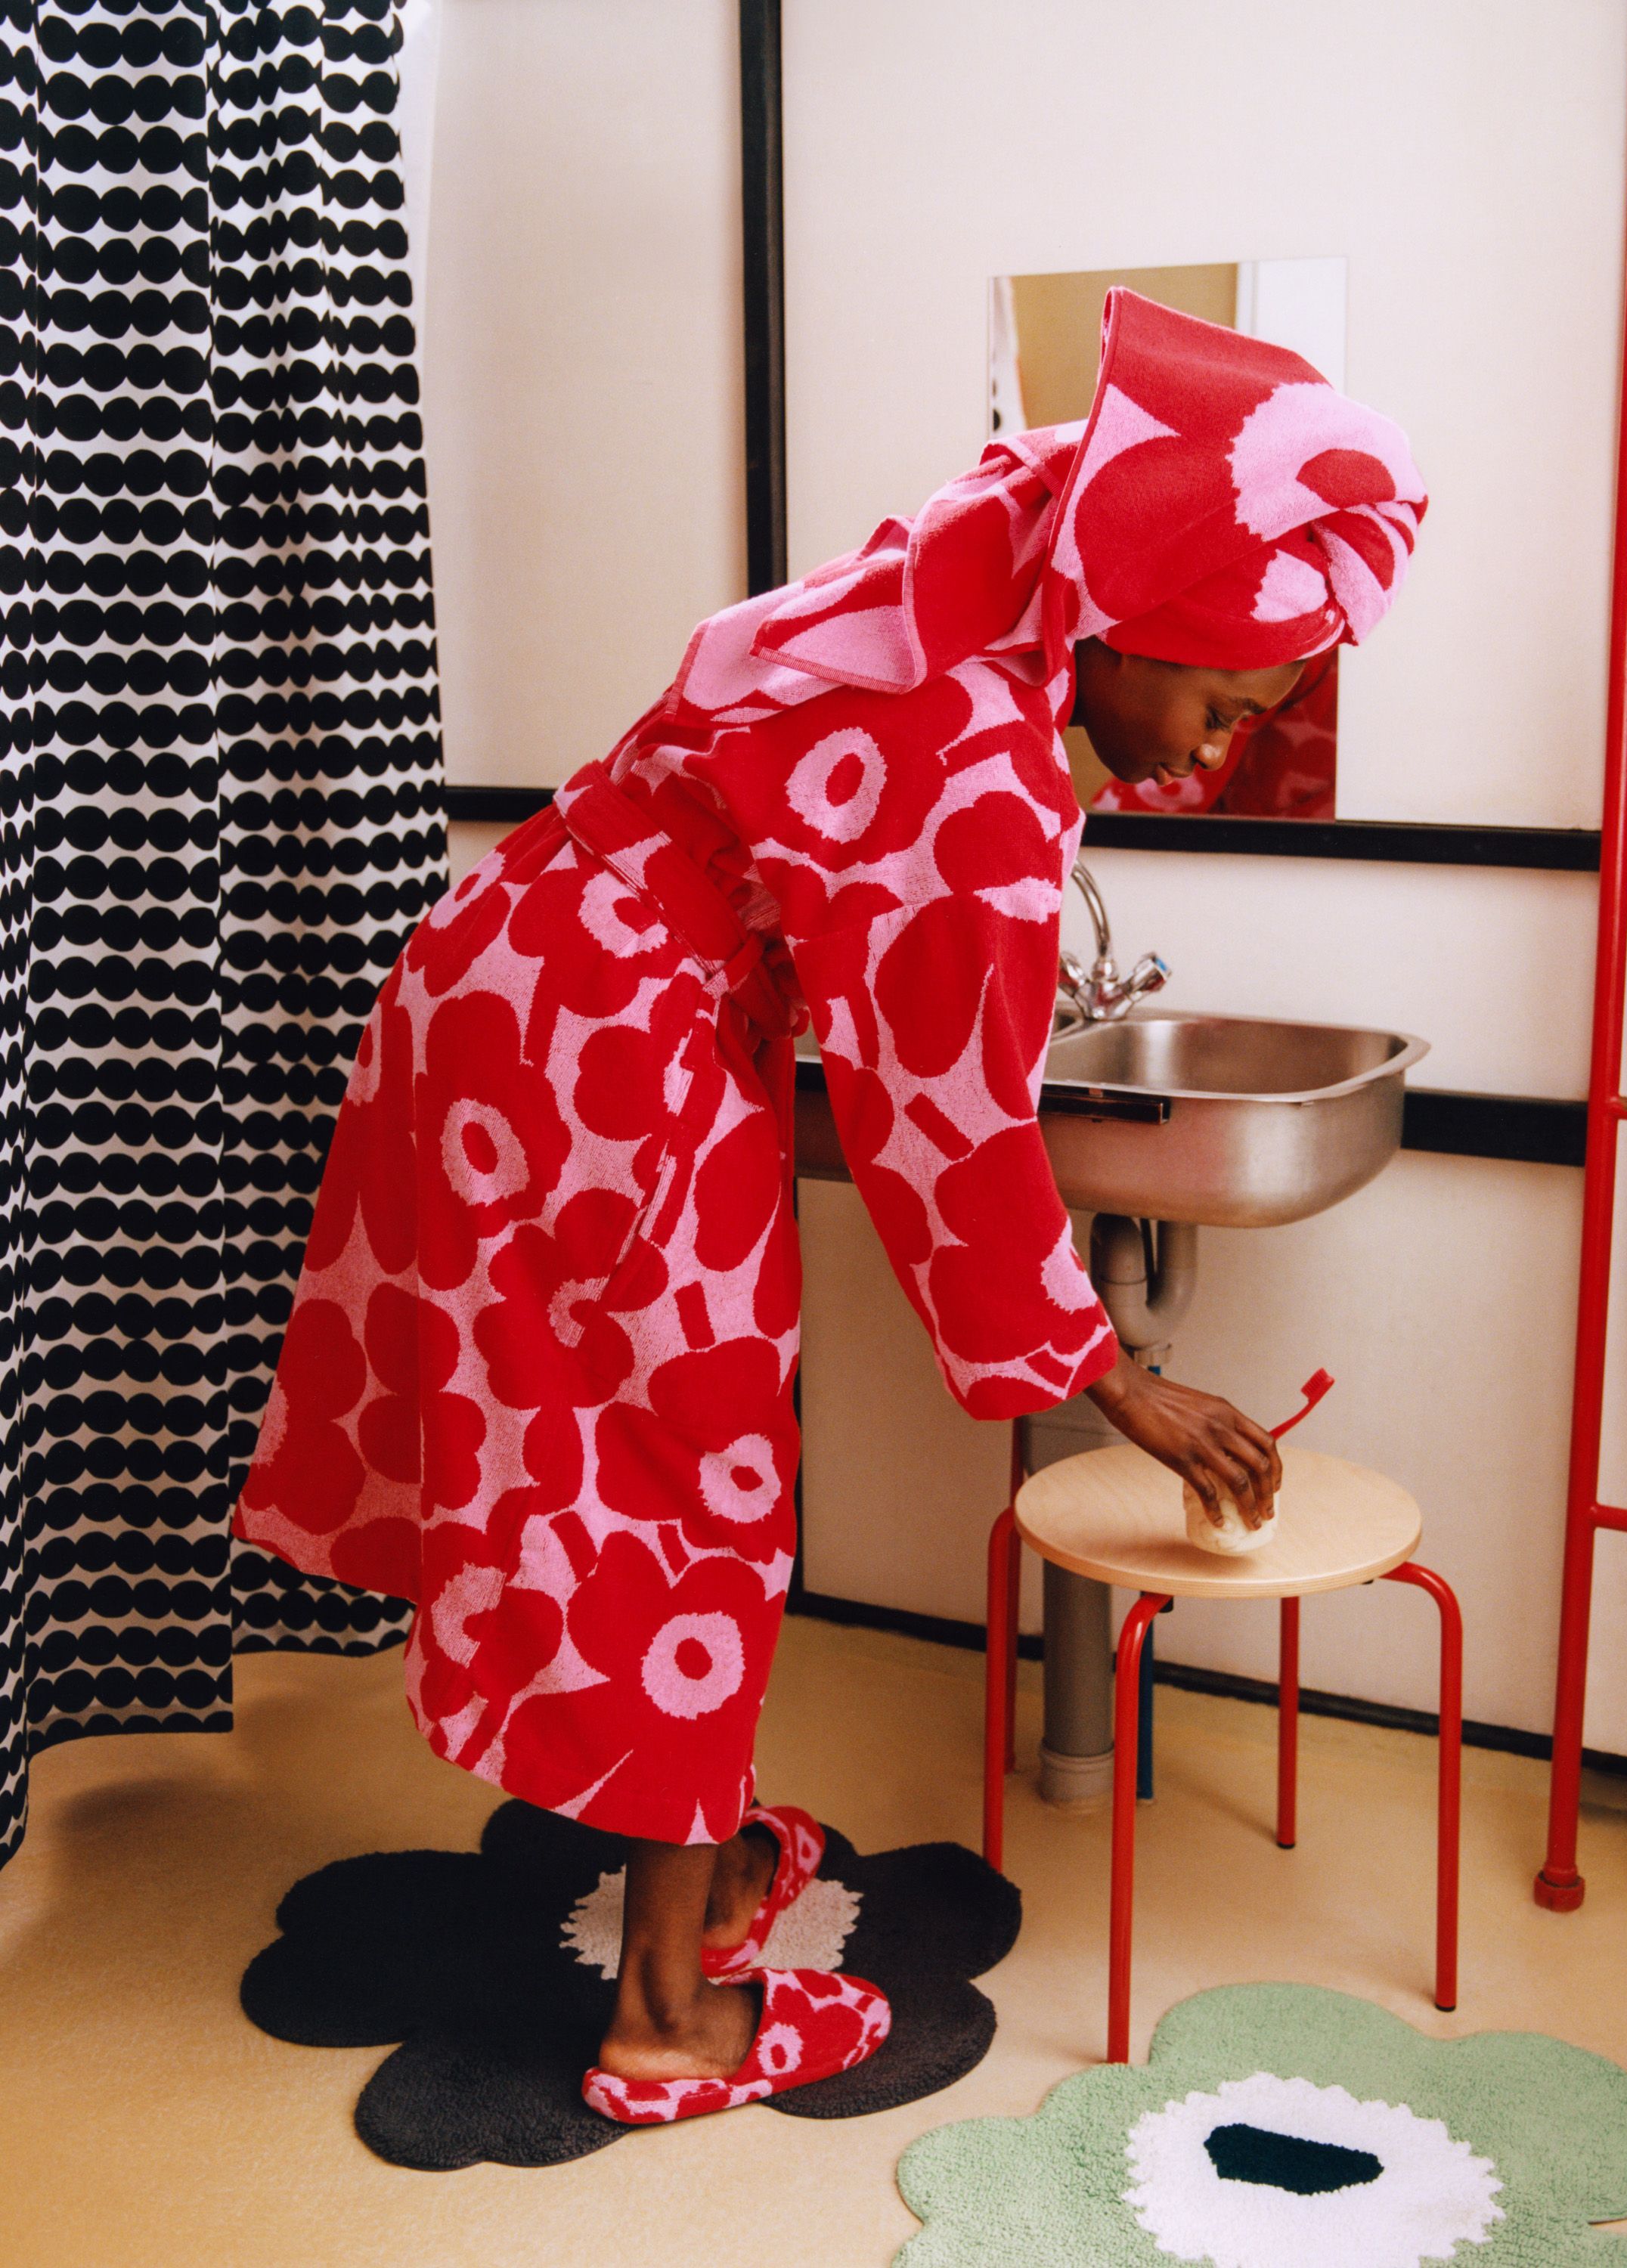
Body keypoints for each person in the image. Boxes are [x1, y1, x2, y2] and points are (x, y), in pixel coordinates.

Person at [235, 288, 1426, 2123]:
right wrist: (1116, 1376)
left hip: (518, 984)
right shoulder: (983, 763)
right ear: (1135, 621)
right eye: (1213, 694)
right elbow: (949, 1120)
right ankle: (666, 2022)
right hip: (613, 1049)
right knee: (680, 1490)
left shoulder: (986, 564)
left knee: (617, 1463)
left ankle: (689, 1861)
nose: (1208, 749)